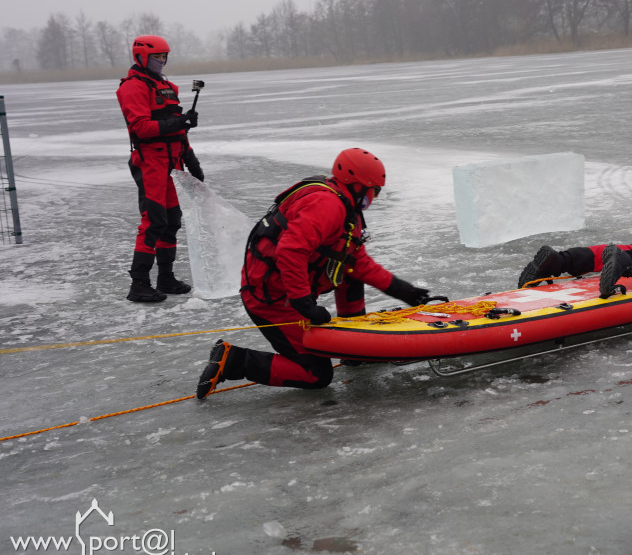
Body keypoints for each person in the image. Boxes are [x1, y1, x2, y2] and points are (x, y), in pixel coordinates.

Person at [196, 148, 435, 400]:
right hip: (271, 300)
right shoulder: (327, 204)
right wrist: (303, 304)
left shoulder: (344, 206)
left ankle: (353, 352)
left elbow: (355, 261)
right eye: (373, 191)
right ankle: (233, 360)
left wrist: (401, 290)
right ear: (356, 185)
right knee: (315, 374)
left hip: (289, 289)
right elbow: (291, 251)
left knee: (350, 274)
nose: (373, 198)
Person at [116, 35, 203, 303]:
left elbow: (179, 130)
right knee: (154, 221)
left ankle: (166, 277)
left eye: (165, 57)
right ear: (142, 57)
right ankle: (139, 283)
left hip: (173, 162)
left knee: (171, 221)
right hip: (151, 161)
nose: (162, 62)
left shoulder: (167, 86)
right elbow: (141, 127)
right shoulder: (133, 87)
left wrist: (192, 161)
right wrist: (179, 123)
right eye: (157, 57)